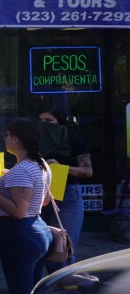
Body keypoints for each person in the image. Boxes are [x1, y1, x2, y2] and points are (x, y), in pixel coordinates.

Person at [0, 118, 53, 294]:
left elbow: (18, 212)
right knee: (32, 293)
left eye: (6, 135)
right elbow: (44, 201)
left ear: (15, 139)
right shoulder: (40, 165)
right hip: (37, 230)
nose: (5, 138)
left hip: (19, 233)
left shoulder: (22, 170)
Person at [37, 106, 92, 271]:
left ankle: (67, 292)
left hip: (67, 197)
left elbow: (88, 171)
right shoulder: (35, 142)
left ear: (60, 123)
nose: (44, 125)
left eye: (49, 121)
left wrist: (63, 168)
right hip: (39, 196)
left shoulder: (73, 141)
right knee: (40, 248)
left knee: (61, 249)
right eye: (40, 121)